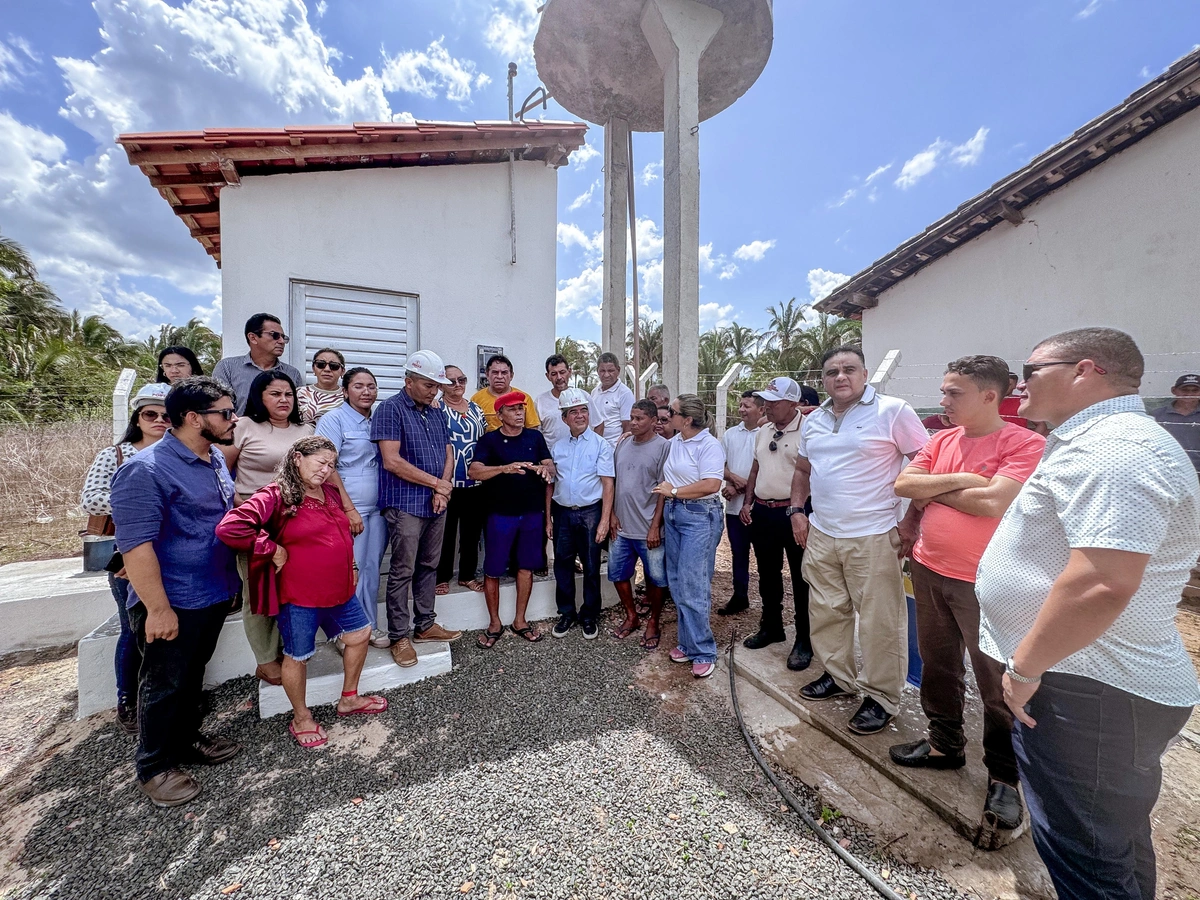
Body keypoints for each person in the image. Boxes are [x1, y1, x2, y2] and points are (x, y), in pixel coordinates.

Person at [976, 328, 1200, 900]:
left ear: (1086, 370)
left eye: (1030, 369)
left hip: (1088, 692)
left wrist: (1023, 670)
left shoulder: (1117, 446)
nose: (1019, 382)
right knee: (1109, 845)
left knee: (1087, 860)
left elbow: (1102, 581)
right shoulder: (1093, 440)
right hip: (1088, 683)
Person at [889, 355, 1046, 845]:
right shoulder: (941, 439)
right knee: (938, 665)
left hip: (988, 583)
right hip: (929, 569)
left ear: (989, 395)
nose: (943, 400)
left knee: (996, 681)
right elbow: (903, 484)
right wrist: (968, 480)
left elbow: (995, 502)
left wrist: (935, 490)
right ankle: (944, 744)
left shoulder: (1025, 442)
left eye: (953, 392)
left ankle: (1004, 778)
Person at [109, 377, 242, 807]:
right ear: (192, 418)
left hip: (213, 591)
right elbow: (136, 547)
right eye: (224, 412)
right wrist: (158, 609)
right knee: (162, 683)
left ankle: (186, 742)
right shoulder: (144, 470)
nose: (232, 418)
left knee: (191, 675)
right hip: (173, 599)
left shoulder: (215, 459)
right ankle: (153, 765)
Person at [790, 346, 928, 735]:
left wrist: (911, 521)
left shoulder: (893, 411)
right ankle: (839, 677)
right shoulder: (814, 420)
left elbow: (925, 467)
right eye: (832, 371)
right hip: (823, 532)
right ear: (823, 380)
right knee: (828, 611)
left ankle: (882, 697)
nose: (841, 377)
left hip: (872, 534)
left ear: (865, 373)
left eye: (849, 369)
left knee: (880, 621)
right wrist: (798, 511)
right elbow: (802, 468)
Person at [216, 436, 388, 749]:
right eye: (321, 462)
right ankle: (301, 717)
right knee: (298, 656)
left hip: (340, 589)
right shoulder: (277, 494)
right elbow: (231, 527)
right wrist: (270, 548)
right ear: (297, 458)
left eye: (332, 465)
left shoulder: (331, 491)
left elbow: (340, 532)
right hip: (300, 594)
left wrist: (350, 564)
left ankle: (349, 698)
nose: (327, 470)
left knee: (360, 634)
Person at [80, 382, 171, 734]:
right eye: (151, 414)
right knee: (133, 627)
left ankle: (164, 697)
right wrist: (142, 499)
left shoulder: (178, 454)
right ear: (137, 417)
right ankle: (127, 700)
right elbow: (91, 499)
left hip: (168, 552)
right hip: (125, 556)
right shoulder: (115, 454)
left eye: (166, 415)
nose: (159, 420)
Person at [220, 369, 316, 685]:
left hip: (297, 523)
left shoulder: (306, 429)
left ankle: (289, 648)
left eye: (288, 394)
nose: (283, 399)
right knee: (258, 592)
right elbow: (223, 475)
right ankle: (265, 658)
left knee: (291, 590)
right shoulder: (244, 427)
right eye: (275, 393)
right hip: (257, 524)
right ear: (260, 397)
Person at [372, 349, 463, 668]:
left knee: (429, 565)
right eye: (429, 385)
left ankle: (425, 626)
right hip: (405, 504)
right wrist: (436, 485)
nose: (435, 391)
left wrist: (444, 485)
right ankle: (399, 636)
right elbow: (392, 461)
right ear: (408, 381)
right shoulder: (389, 409)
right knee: (402, 570)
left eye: (437, 386)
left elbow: (449, 450)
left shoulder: (436, 411)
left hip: (437, 501)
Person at [468, 391, 555, 648]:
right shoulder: (490, 441)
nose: (519, 413)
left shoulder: (534, 437)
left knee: (526, 566)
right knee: (493, 569)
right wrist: (503, 468)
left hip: (531, 514)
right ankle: (494, 623)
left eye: (522, 408)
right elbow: (474, 472)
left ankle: (520, 620)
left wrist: (543, 469)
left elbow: (550, 468)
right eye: (513, 409)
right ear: (500, 414)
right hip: (499, 515)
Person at [740, 377, 813, 671]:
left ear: (793, 404)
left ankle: (804, 639)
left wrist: (803, 513)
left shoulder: (808, 429)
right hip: (764, 512)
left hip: (795, 513)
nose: (767, 406)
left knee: (801, 578)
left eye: (774, 401)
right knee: (768, 574)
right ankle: (771, 626)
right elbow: (756, 467)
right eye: (766, 400)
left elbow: (810, 473)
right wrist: (747, 502)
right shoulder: (763, 430)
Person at [315, 367, 391, 649]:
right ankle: (345, 630)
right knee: (350, 569)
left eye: (371, 386)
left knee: (371, 568)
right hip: (349, 505)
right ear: (345, 391)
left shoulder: (379, 419)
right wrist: (348, 508)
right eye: (359, 386)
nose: (366, 391)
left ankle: (369, 625)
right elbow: (327, 465)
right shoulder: (333, 419)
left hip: (377, 506)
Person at [654, 394, 726, 679]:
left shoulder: (709, 445)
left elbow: (711, 484)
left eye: (671, 412)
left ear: (687, 419)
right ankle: (688, 641)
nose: (666, 416)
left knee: (693, 582)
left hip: (699, 516)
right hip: (675, 514)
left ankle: (704, 650)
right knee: (677, 580)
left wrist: (673, 492)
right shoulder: (675, 442)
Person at [548, 388, 614, 640]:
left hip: (590, 513)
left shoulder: (601, 445)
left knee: (590, 565)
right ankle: (566, 613)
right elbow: (551, 484)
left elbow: (608, 484)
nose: (579, 415)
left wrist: (605, 520)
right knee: (562, 565)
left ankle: (589, 615)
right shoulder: (557, 447)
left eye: (583, 410)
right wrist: (548, 519)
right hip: (563, 513)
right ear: (564, 418)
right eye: (573, 411)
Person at [609, 399, 669, 649]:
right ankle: (632, 616)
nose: (633, 422)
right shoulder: (622, 443)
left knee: (655, 578)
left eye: (639, 418)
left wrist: (655, 526)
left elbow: (665, 491)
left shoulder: (663, 447)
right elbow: (614, 481)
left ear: (654, 421)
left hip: (648, 529)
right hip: (622, 527)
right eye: (631, 417)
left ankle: (654, 620)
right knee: (618, 574)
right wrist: (611, 514)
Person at [436, 364, 487, 595]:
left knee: (471, 532)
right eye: (451, 381)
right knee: (445, 532)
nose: (457, 385)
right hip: (447, 481)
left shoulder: (476, 409)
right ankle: (441, 576)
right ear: (441, 385)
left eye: (462, 379)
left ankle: (467, 575)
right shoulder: (435, 409)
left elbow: (484, 441)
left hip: (475, 482)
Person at [718, 391, 762, 616]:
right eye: (740, 405)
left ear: (761, 409)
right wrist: (734, 480)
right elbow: (720, 465)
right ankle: (740, 596)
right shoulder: (730, 434)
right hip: (735, 508)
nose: (741, 409)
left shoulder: (766, 434)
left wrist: (738, 488)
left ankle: (768, 604)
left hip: (761, 507)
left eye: (747, 406)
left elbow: (765, 469)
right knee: (739, 553)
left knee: (765, 558)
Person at [211, 313, 303, 414]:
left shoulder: (292, 373)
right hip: (238, 429)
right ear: (253, 338)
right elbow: (220, 408)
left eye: (283, 337)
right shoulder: (227, 367)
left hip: (282, 429)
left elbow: (297, 411)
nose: (281, 341)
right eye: (275, 335)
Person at [536, 354, 599, 452]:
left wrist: (594, 450)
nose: (559, 377)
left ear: (569, 372)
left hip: (583, 457)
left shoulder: (583, 396)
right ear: (547, 376)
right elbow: (536, 435)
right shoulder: (540, 401)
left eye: (562, 372)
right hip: (553, 460)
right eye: (554, 374)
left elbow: (598, 424)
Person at [471, 354, 541, 433]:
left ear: (511, 376)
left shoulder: (524, 398)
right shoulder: (476, 400)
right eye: (495, 372)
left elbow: (532, 429)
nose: (499, 377)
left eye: (504, 373)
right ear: (487, 374)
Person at [1153, 372, 1200, 475]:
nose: (1189, 394)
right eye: (1184, 390)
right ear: (1174, 390)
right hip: (1168, 472)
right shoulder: (1157, 416)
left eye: (1195, 390)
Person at [591, 351, 634, 448]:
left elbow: (628, 426)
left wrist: (622, 450)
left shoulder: (625, 393)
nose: (606, 375)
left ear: (618, 370)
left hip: (615, 448)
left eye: (610, 371)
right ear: (597, 371)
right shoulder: (594, 392)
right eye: (602, 371)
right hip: (596, 446)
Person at [296, 348, 346, 425]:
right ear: (313, 368)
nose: (327, 369)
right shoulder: (299, 393)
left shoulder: (348, 395)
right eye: (321, 364)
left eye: (334, 366)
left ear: (342, 371)